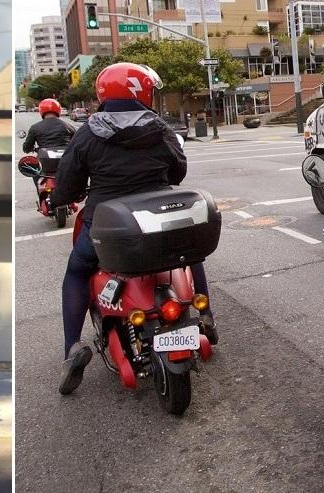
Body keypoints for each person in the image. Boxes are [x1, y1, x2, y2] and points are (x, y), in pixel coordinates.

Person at [49, 62, 217, 395]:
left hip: (107, 226)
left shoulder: (87, 133)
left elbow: (67, 188)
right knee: (187, 254)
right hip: (159, 219)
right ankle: (207, 317)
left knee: (76, 270)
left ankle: (72, 348)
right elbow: (178, 171)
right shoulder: (160, 128)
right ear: (139, 92)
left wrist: (58, 198)